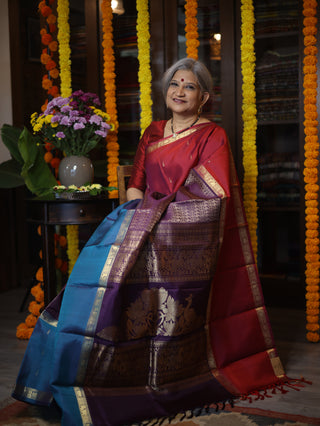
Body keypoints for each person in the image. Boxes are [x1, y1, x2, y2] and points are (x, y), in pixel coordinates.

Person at [13, 58, 293, 426]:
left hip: (186, 234)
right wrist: (136, 214)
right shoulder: (154, 131)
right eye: (175, 84)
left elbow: (215, 194)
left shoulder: (213, 135)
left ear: (204, 97)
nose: (179, 91)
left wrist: (161, 217)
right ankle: (75, 373)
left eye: (189, 86)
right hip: (142, 221)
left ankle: (143, 376)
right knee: (91, 277)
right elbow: (137, 181)